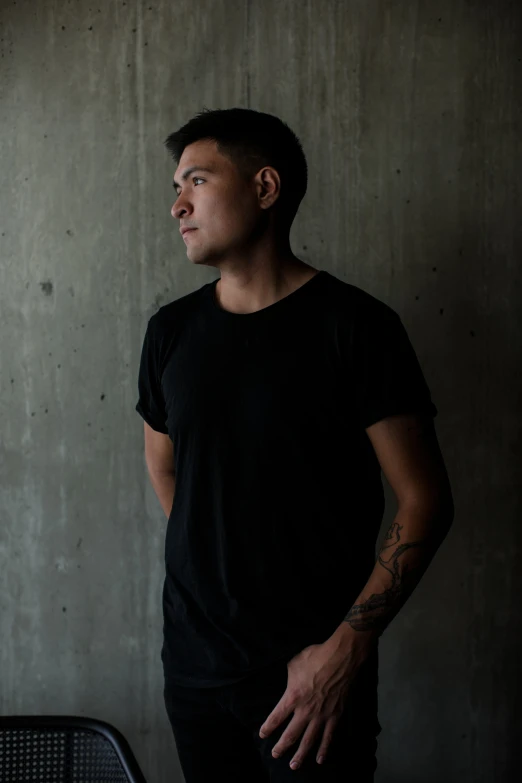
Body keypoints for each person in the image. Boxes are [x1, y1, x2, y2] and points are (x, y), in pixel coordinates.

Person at [135, 108, 454, 782]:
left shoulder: (357, 329)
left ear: (266, 187)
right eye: (175, 186)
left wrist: (347, 649)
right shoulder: (170, 332)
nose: (177, 205)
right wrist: (215, 562)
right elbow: (164, 466)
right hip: (194, 670)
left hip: (310, 676)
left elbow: (425, 500)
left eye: (196, 180)